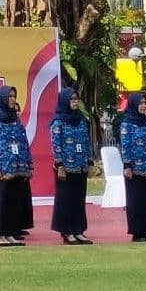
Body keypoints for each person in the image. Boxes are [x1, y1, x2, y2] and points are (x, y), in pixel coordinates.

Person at [0, 86, 32, 247]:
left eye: (14, 96)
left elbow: (23, 141)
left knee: (14, 201)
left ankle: (12, 232)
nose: (13, 99)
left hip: (18, 166)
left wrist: (28, 164)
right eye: (9, 96)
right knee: (2, 201)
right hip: (3, 167)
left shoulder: (14, 117)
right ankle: (1, 234)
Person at [49, 88, 93, 245]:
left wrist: (89, 161)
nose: (75, 102)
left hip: (80, 165)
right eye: (72, 99)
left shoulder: (80, 119)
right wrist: (59, 164)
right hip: (66, 167)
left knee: (78, 199)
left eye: (76, 99)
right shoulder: (58, 121)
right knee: (66, 199)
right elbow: (56, 144)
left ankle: (78, 230)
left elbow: (86, 141)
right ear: (65, 101)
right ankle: (67, 232)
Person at [120, 93, 146, 243]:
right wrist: (127, 165)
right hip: (134, 168)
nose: (144, 106)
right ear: (134, 105)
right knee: (136, 200)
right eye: (141, 103)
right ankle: (137, 233)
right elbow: (125, 145)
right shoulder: (127, 123)